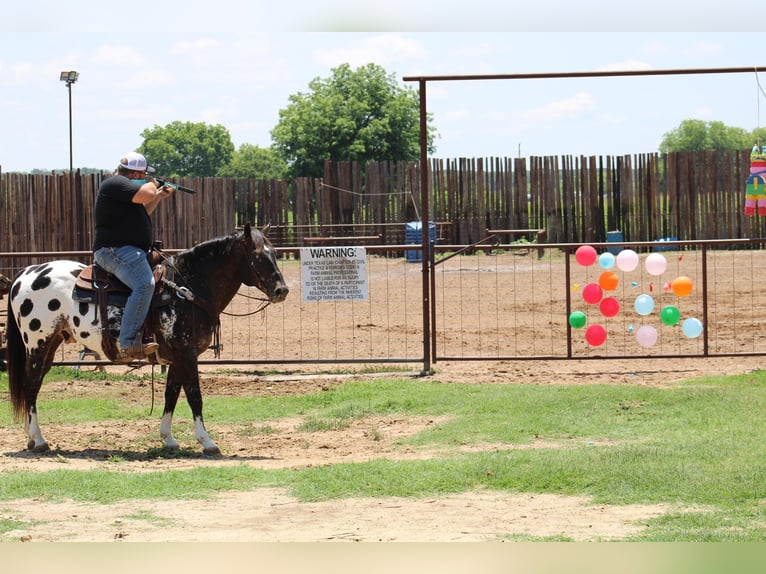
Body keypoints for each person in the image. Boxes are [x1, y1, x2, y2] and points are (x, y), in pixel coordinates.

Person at [92, 152, 176, 362]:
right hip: (114, 250)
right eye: (144, 174)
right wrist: (153, 184)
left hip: (127, 250)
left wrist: (158, 195)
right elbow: (145, 193)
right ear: (136, 172)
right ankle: (128, 342)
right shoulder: (116, 183)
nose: (146, 177)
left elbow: (144, 208)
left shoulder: (123, 190)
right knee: (144, 284)